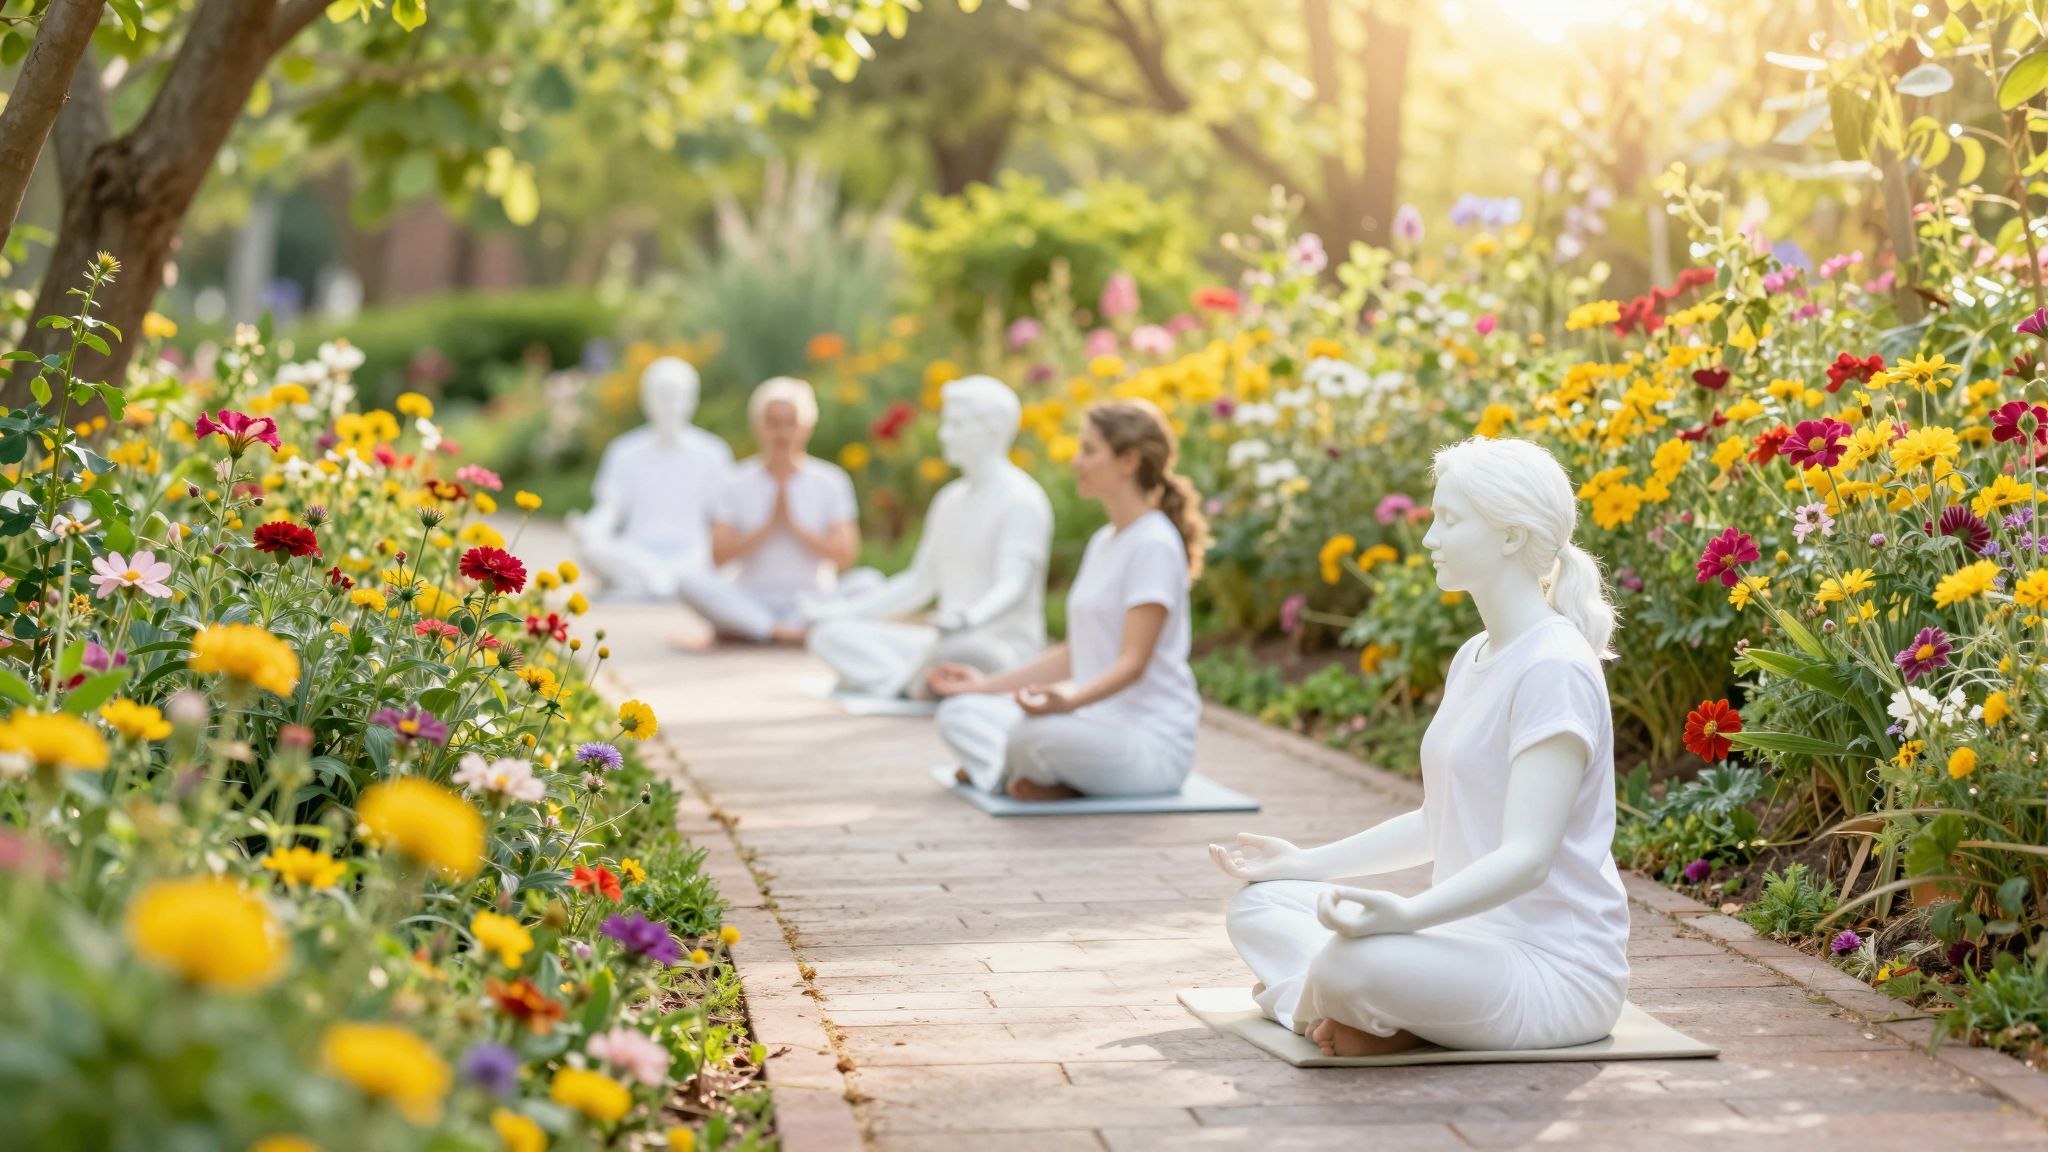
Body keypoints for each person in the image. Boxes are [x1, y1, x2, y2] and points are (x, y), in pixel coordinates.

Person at [1211, 437, 1629, 1058]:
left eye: (1449, 520)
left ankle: (1325, 1006)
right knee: (1261, 903)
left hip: (1554, 973)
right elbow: (1438, 821)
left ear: (1511, 536)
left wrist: (1407, 918)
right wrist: (1304, 863)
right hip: (1460, 944)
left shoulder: (1554, 668)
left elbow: (1528, 857)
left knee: (1352, 963)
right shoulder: (1475, 654)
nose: (1429, 538)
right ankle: (1345, 1013)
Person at [928, 399, 1207, 801]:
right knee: (961, 711)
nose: (1077, 461)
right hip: (1091, 724)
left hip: (1150, 745)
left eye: (1089, 450)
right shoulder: (1104, 541)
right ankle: (1022, 776)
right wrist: (985, 686)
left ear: (1128, 461)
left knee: (1031, 734)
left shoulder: (1154, 544)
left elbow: (1133, 662)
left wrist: (1070, 700)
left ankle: (1004, 772)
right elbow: (1078, 653)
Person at [805, 375, 1053, 699]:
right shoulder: (949, 500)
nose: (943, 434)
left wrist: (969, 618)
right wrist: (842, 613)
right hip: (943, 639)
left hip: (994, 646)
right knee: (830, 635)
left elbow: (1013, 584)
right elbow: (918, 583)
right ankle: (909, 683)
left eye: (957, 424)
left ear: (993, 429)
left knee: (959, 648)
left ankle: (909, 682)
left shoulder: (1022, 500)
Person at [675, 377, 861, 645]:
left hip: (812, 600)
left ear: (806, 427)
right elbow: (718, 556)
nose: (781, 433)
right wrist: (770, 525)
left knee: (868, 583)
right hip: (753, 597)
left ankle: (757, 629)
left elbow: (845, 557)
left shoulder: (831, 481)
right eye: (773, 422)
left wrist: (793, 525)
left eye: (790, 422)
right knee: (688, 581)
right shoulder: (734, 481)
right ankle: (784, 632)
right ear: (758, 427)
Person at [573, 357, 733, 598]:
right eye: (661, 395)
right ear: (646, 399)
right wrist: (590, 529)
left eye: (677, 395)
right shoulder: (623, 451)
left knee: (718, 560)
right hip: (636, 553)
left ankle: (650, 584)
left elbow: (725, 518)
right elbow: (609, 509)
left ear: (692, 399)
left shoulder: (713, 452)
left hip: (692, 554)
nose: (669, 405)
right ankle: (664, 583)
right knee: (591, 547)